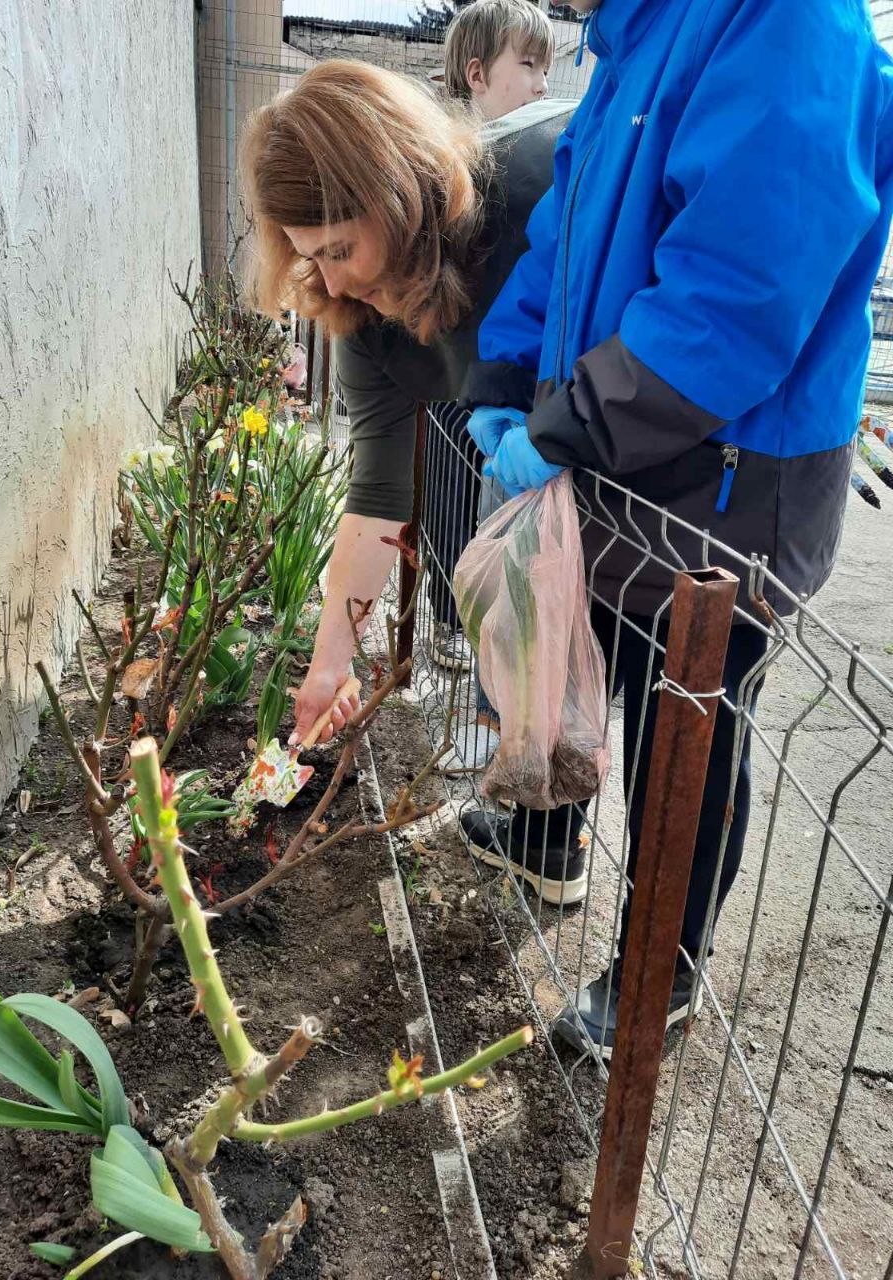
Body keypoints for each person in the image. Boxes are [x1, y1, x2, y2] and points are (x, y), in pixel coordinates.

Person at [458, 0, 893, 1055]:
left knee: (687, 726)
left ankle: (661, 968)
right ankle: (549, 837)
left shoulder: (786, 18)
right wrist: (507, 373)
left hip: (734, 465)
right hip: (629, 435)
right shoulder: (640, 31)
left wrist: (573, 421)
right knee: (588, 645)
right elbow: (566, 234)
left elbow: (740, 289)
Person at [240, 59, 572, 798]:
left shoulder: (530, 198)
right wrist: (329, 663)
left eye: (338, 250)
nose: (329, 282)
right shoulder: (358, 314)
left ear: (399, 201)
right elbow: (378, 492)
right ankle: (544, 833)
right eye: (308, 256)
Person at [425, 0, 555, 771]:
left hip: (521, 398)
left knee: (509, 552)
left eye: (545, 67)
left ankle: (494, 709)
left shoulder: (548, 160)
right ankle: (467, 665)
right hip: (464, 388)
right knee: (468, 532)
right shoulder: (458, 168)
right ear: (477, 74)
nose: (542, 84)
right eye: (528, 66)